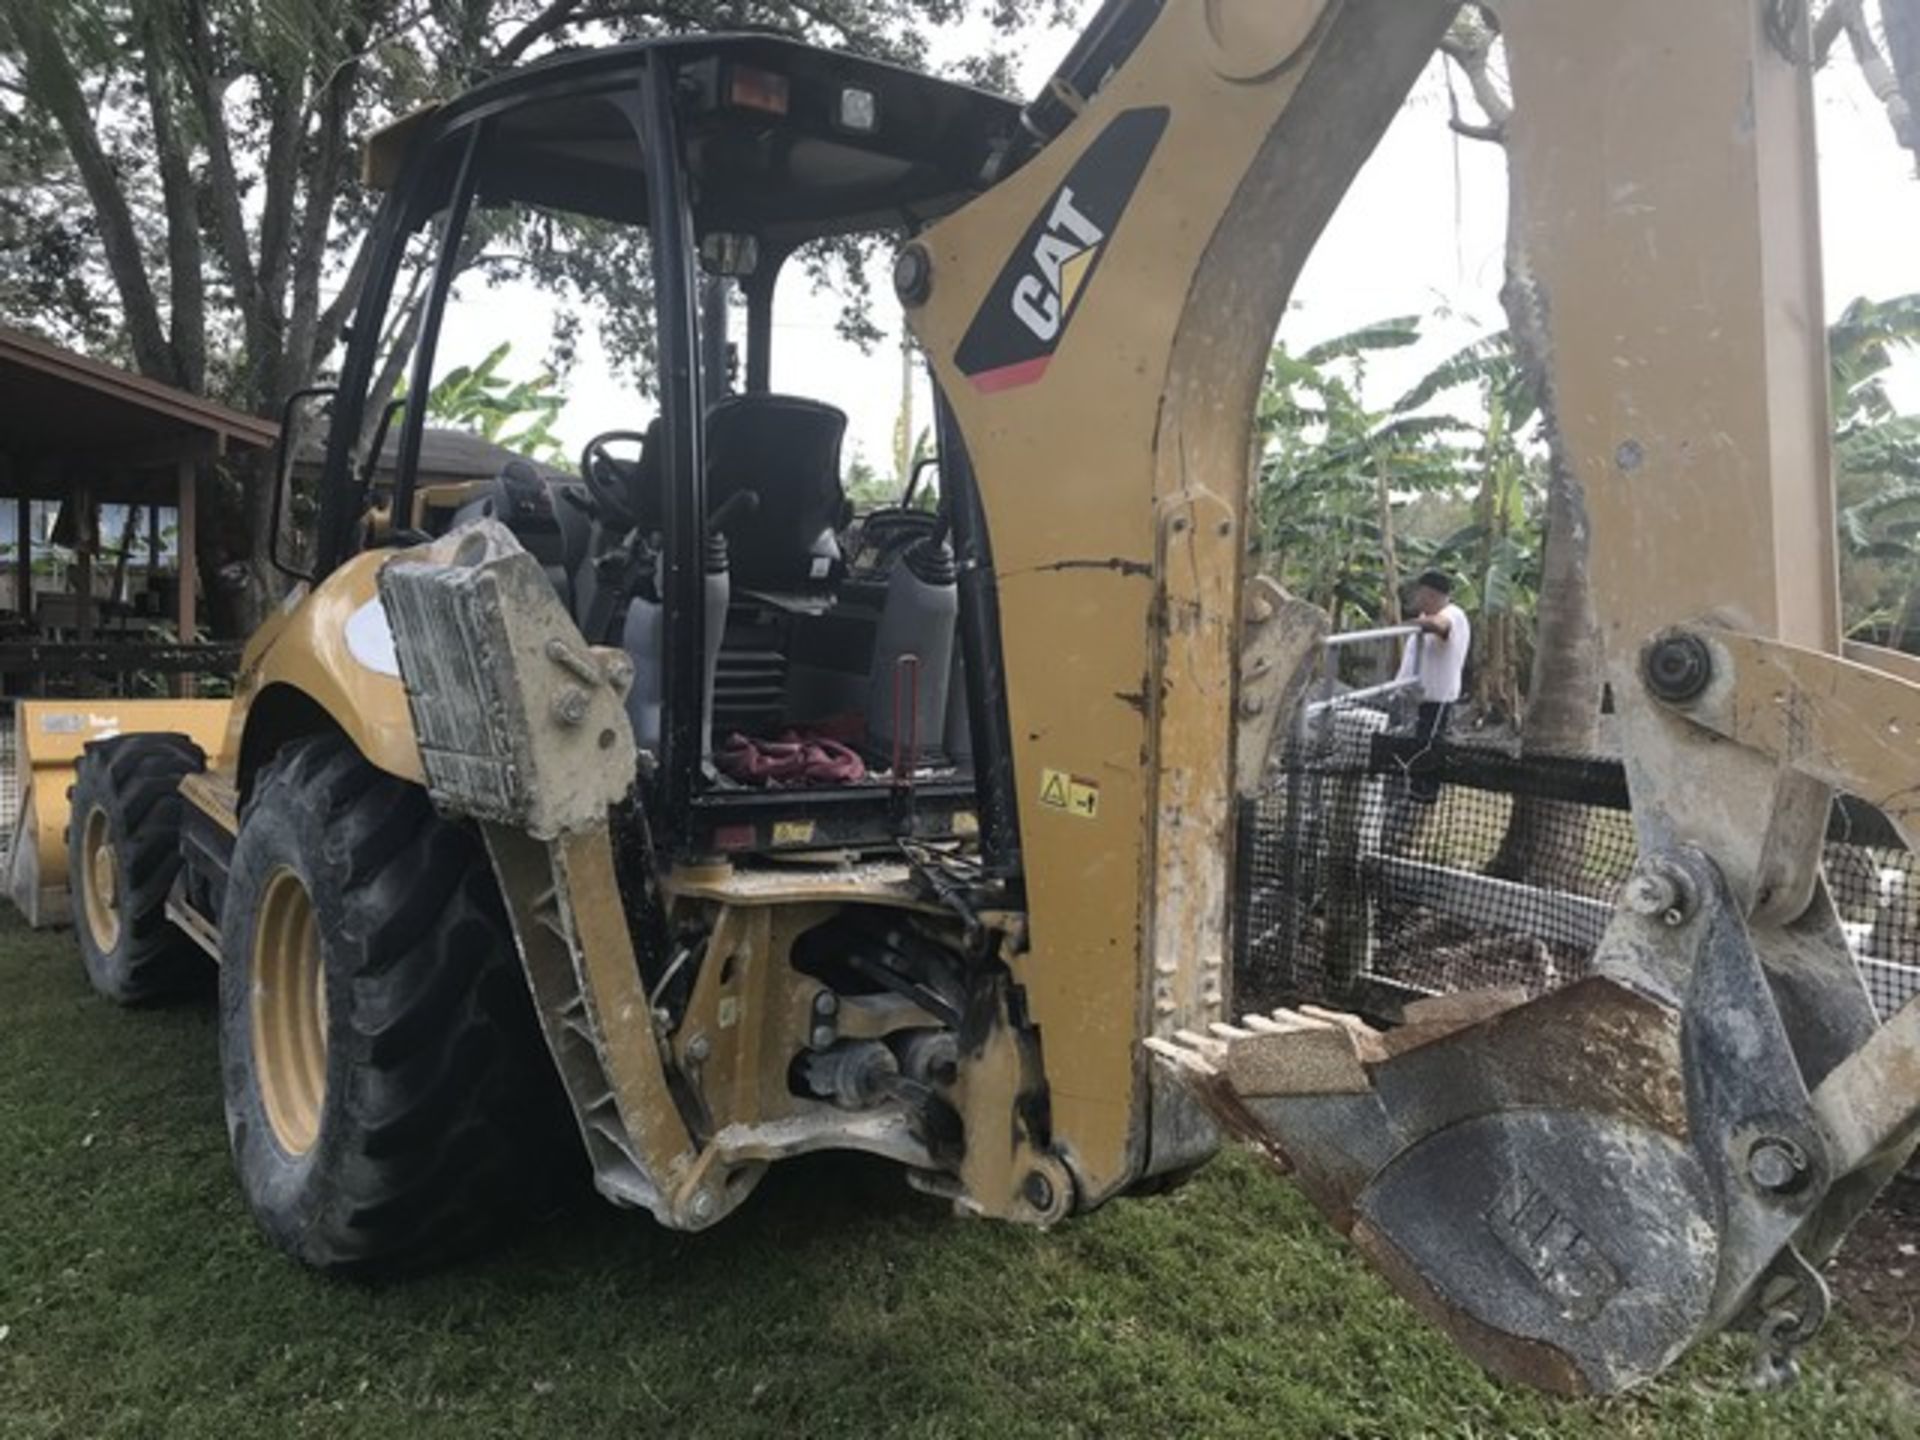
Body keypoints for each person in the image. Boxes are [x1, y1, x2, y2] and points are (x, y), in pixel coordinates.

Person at [1393, 569, 1471, 803]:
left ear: (1429, 594)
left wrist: (1408, 624)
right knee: (1411, 749)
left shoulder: (1452, 613)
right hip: (1414, 699)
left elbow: (1440, 625)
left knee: (1427, 749)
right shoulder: (1427, 616)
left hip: (1435, 701)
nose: (1417, 598)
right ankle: (1411, 792)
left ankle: (1423, 796)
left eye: (1420, 593)